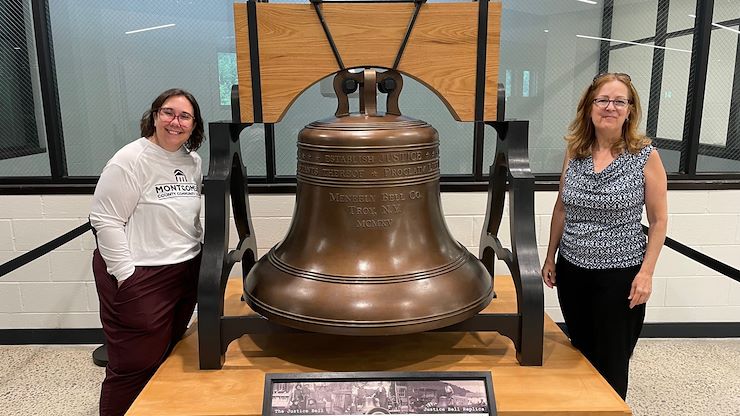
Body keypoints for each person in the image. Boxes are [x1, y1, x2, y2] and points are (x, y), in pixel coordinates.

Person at [541, 73, 667, 400]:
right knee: (580, 351)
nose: (610, 107)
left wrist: (646, 274)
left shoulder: (645, 155)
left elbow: (658, 219)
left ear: (629, 110)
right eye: (602, 100)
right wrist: (550, 256)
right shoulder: (576, 151)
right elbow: (561, 208)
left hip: (620, 277)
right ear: (589, 107)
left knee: (611, 360)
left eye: (619, 101)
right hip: (573, 272)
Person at [89, 88, 205, 416]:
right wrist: (126, 276)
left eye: (185, 116)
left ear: (194, 125)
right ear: (154, 116)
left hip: (184, 269)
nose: (175, 121)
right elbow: (105, 221)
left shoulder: (191, 161)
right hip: (141, 271)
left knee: (168, 352)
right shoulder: (130, 159)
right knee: (133, 364)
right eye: (168, 112)